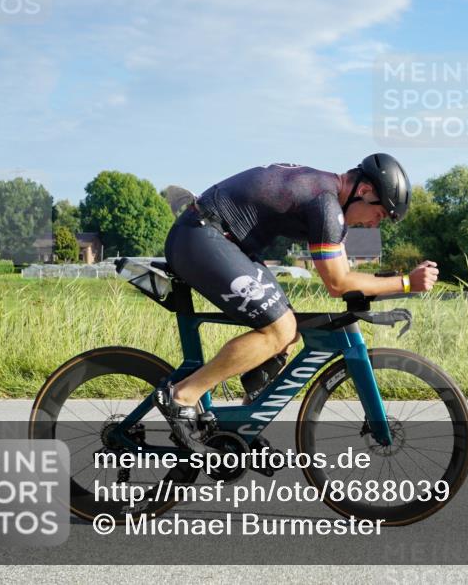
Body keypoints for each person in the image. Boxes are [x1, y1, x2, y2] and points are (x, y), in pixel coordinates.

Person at [154, 153, 438, 452]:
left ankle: (242, 425)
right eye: (379, 214)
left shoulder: (328, 199)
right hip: (201, 237)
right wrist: (406, 283)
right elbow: (338, 283)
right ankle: (181, 396)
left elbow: (345, 276)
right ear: (364, 191)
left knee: (289, 333)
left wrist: (389, 285)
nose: (372, 224)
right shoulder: (325, 204)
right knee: (280, 329)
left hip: (220, 239)